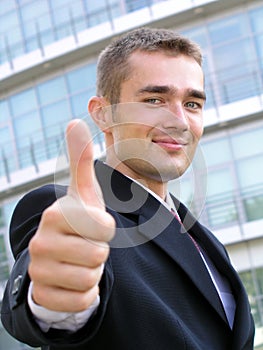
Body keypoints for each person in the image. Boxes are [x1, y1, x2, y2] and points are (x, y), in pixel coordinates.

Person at [1, 27, 254, 350]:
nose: (179, 121)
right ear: (103, 114)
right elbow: (51, 297)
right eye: (154, 99)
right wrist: (56, 301)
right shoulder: (65, 209)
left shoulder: (206, 241)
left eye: (192, 104)